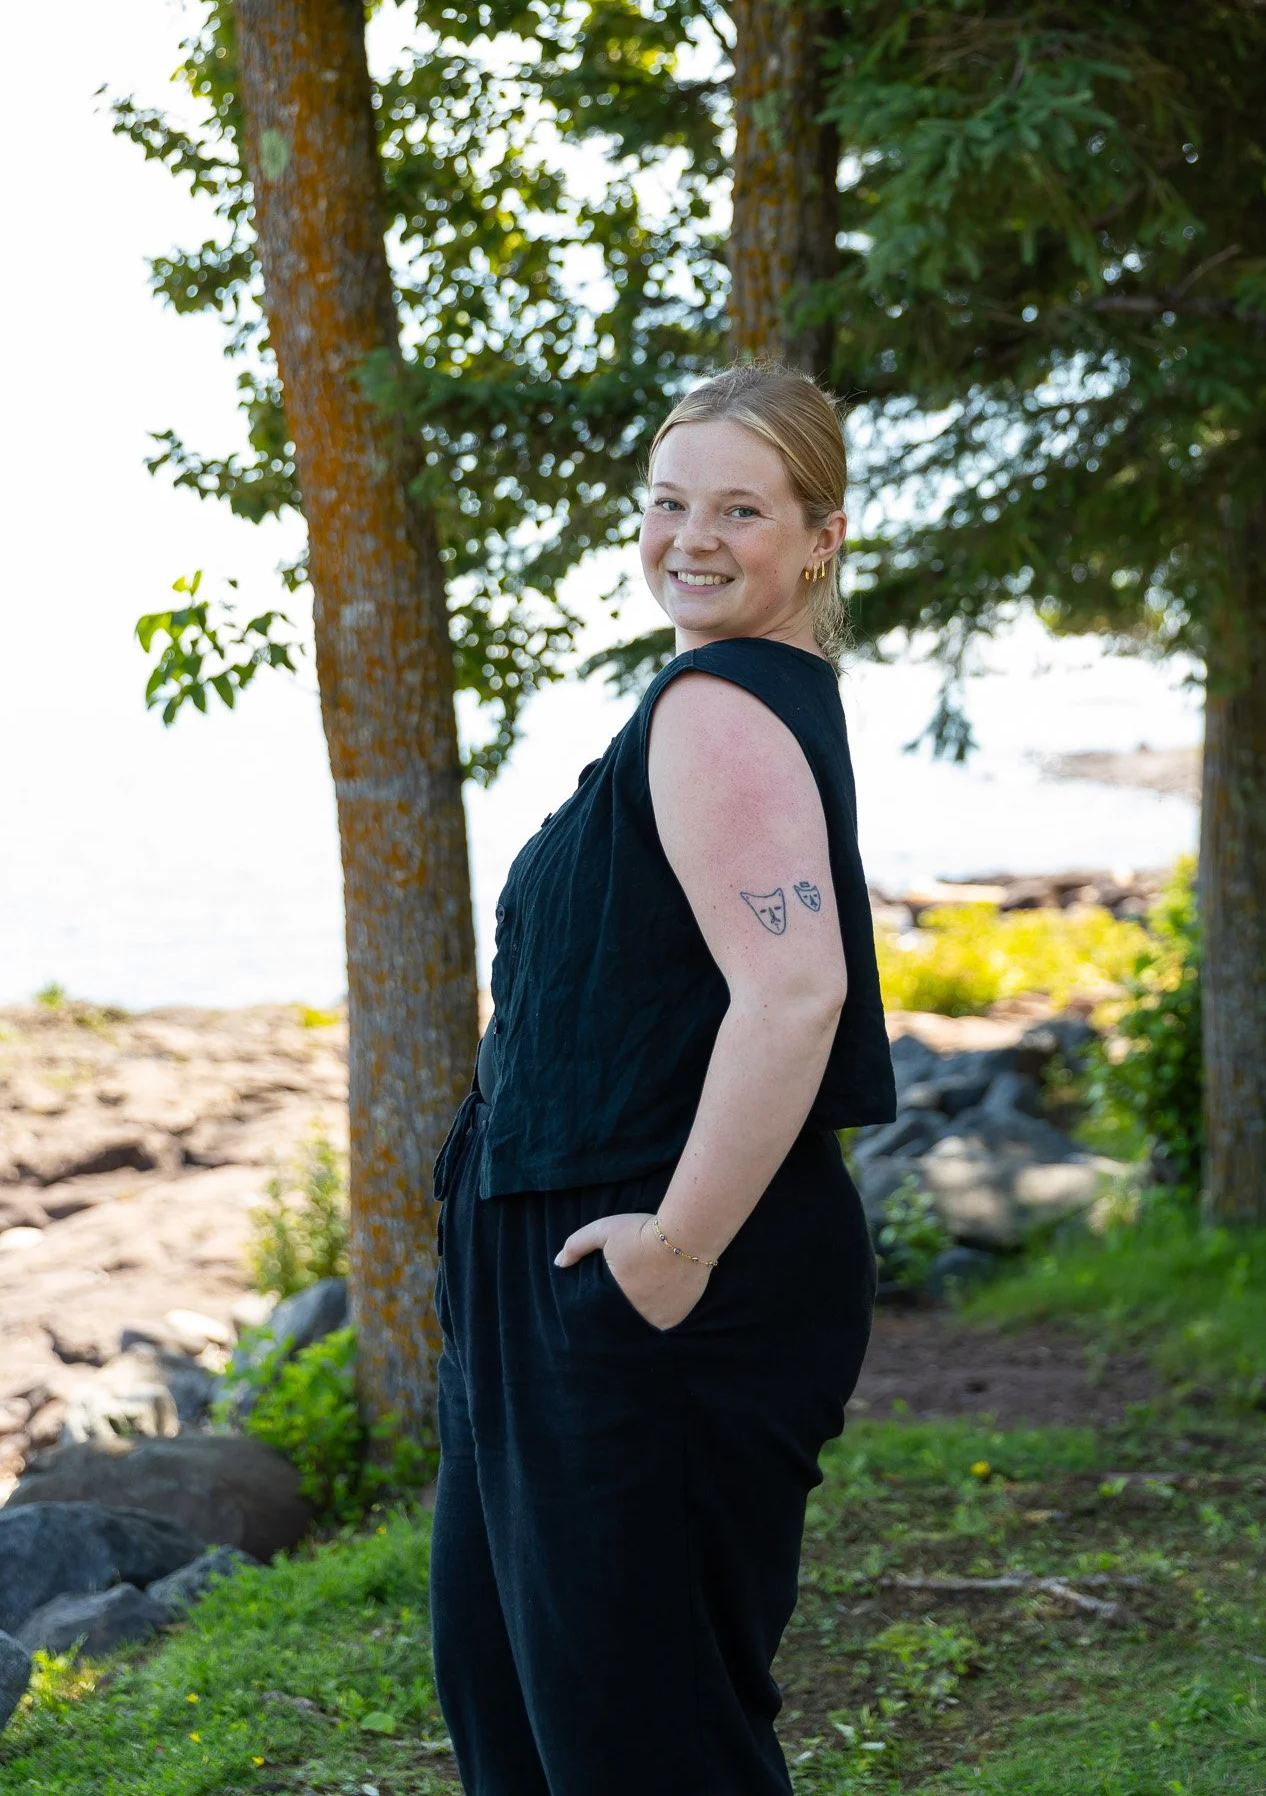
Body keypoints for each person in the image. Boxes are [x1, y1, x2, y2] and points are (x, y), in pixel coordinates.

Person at [429, 362, 896, 1795]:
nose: (691, 537)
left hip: (651, 1274)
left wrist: (671, 1253)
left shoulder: (715, 704)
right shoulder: (741, 696)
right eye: (668, 501)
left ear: (820, 533)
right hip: (582, 1269)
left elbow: (796, 990)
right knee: (528, 1714)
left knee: (642, 1749)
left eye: (740, 508)